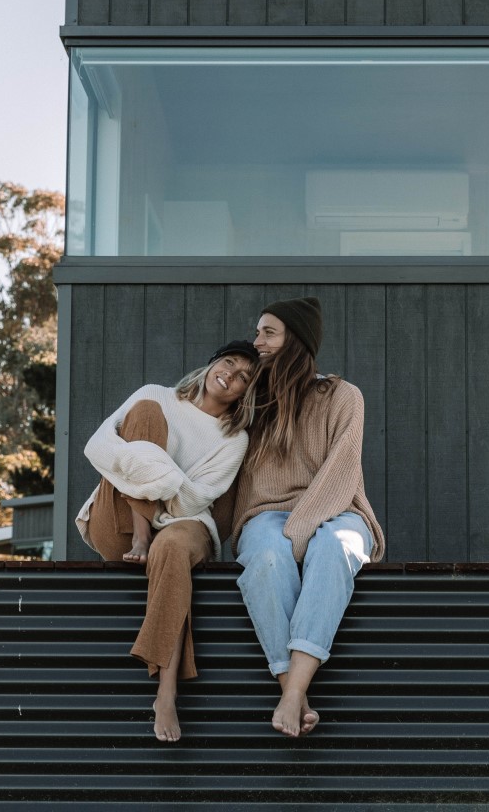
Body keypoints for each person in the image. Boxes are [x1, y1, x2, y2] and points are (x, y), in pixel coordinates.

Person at [74, 339, 258, 742]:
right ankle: (142, 536)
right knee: (144, 417)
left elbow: (195, 499)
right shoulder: (155, 396)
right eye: (228, 362)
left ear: (247, 391)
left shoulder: (234, 439)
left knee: (171, 549)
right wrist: (169, 480)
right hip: (118, 524)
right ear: (212, 363)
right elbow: (99, 447)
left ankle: (166, 692)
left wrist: (153, 475)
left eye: (244, 376)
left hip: (186, 524)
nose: (231, 375)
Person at [227, 296, 386, 738]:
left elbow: (340, 475)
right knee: (267, 558)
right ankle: (294, 691)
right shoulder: (251, 402)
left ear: (295, 340)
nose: (256, 341)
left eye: (268, 332)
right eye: (258, 331)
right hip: (264, 515)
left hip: (340, 512)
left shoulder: (342, 395)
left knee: (334, 547)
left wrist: (298, 532)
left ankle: (292, 693)